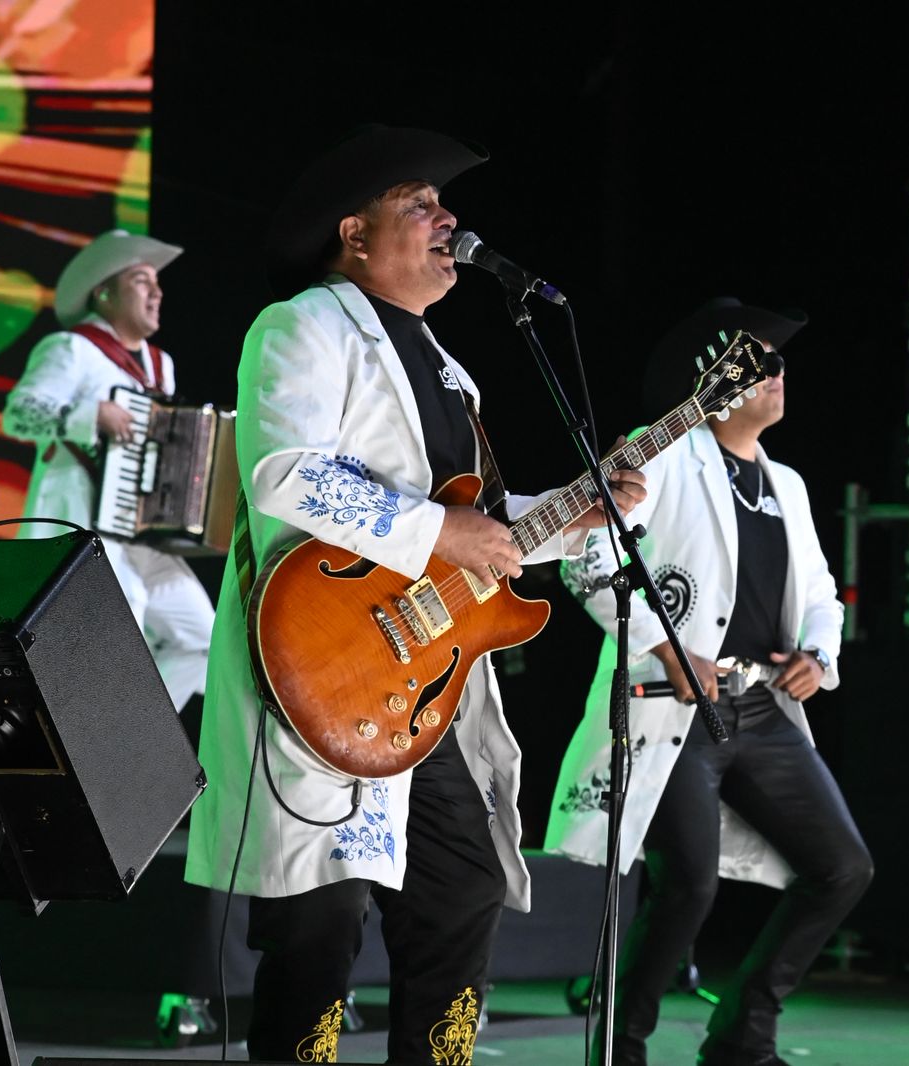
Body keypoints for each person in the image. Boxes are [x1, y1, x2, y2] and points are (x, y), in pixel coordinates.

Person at [182, 125, 647, 1064]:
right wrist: (446, 532)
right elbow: (283, 474)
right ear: (355, 234)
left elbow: (473, 522)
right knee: (322, 919)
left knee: (462, 888)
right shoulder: (306, 323)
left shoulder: (447, 366)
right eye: (422, 206)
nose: (450, 221)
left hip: (423, 673)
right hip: (326, 659)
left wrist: (573, 514)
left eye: (446, 206)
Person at [547, 298, 874, 1066]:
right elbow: (586, 559)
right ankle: (621, 1048)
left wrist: (819, 656)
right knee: (688, 886)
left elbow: (823, 594)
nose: (778, 374)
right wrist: (666, 647)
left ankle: (743, 1032)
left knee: (843, 867)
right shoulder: (660, 456)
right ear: (713, 377)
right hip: (675, 708)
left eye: (779, 362)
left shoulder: (785, 483)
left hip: (760, 707)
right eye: (760, 361)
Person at [2, 230, 214, 713]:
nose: (157, 292)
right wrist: (89, 415)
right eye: (142, 281)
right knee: (124, 612)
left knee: (203, 638)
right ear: (104, 292)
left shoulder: (162, 366)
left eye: (157, 283)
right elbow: (19, 414)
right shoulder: (71, 348)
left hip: (142, 530)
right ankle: (95, 724)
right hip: (84, 522)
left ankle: (137, 724)